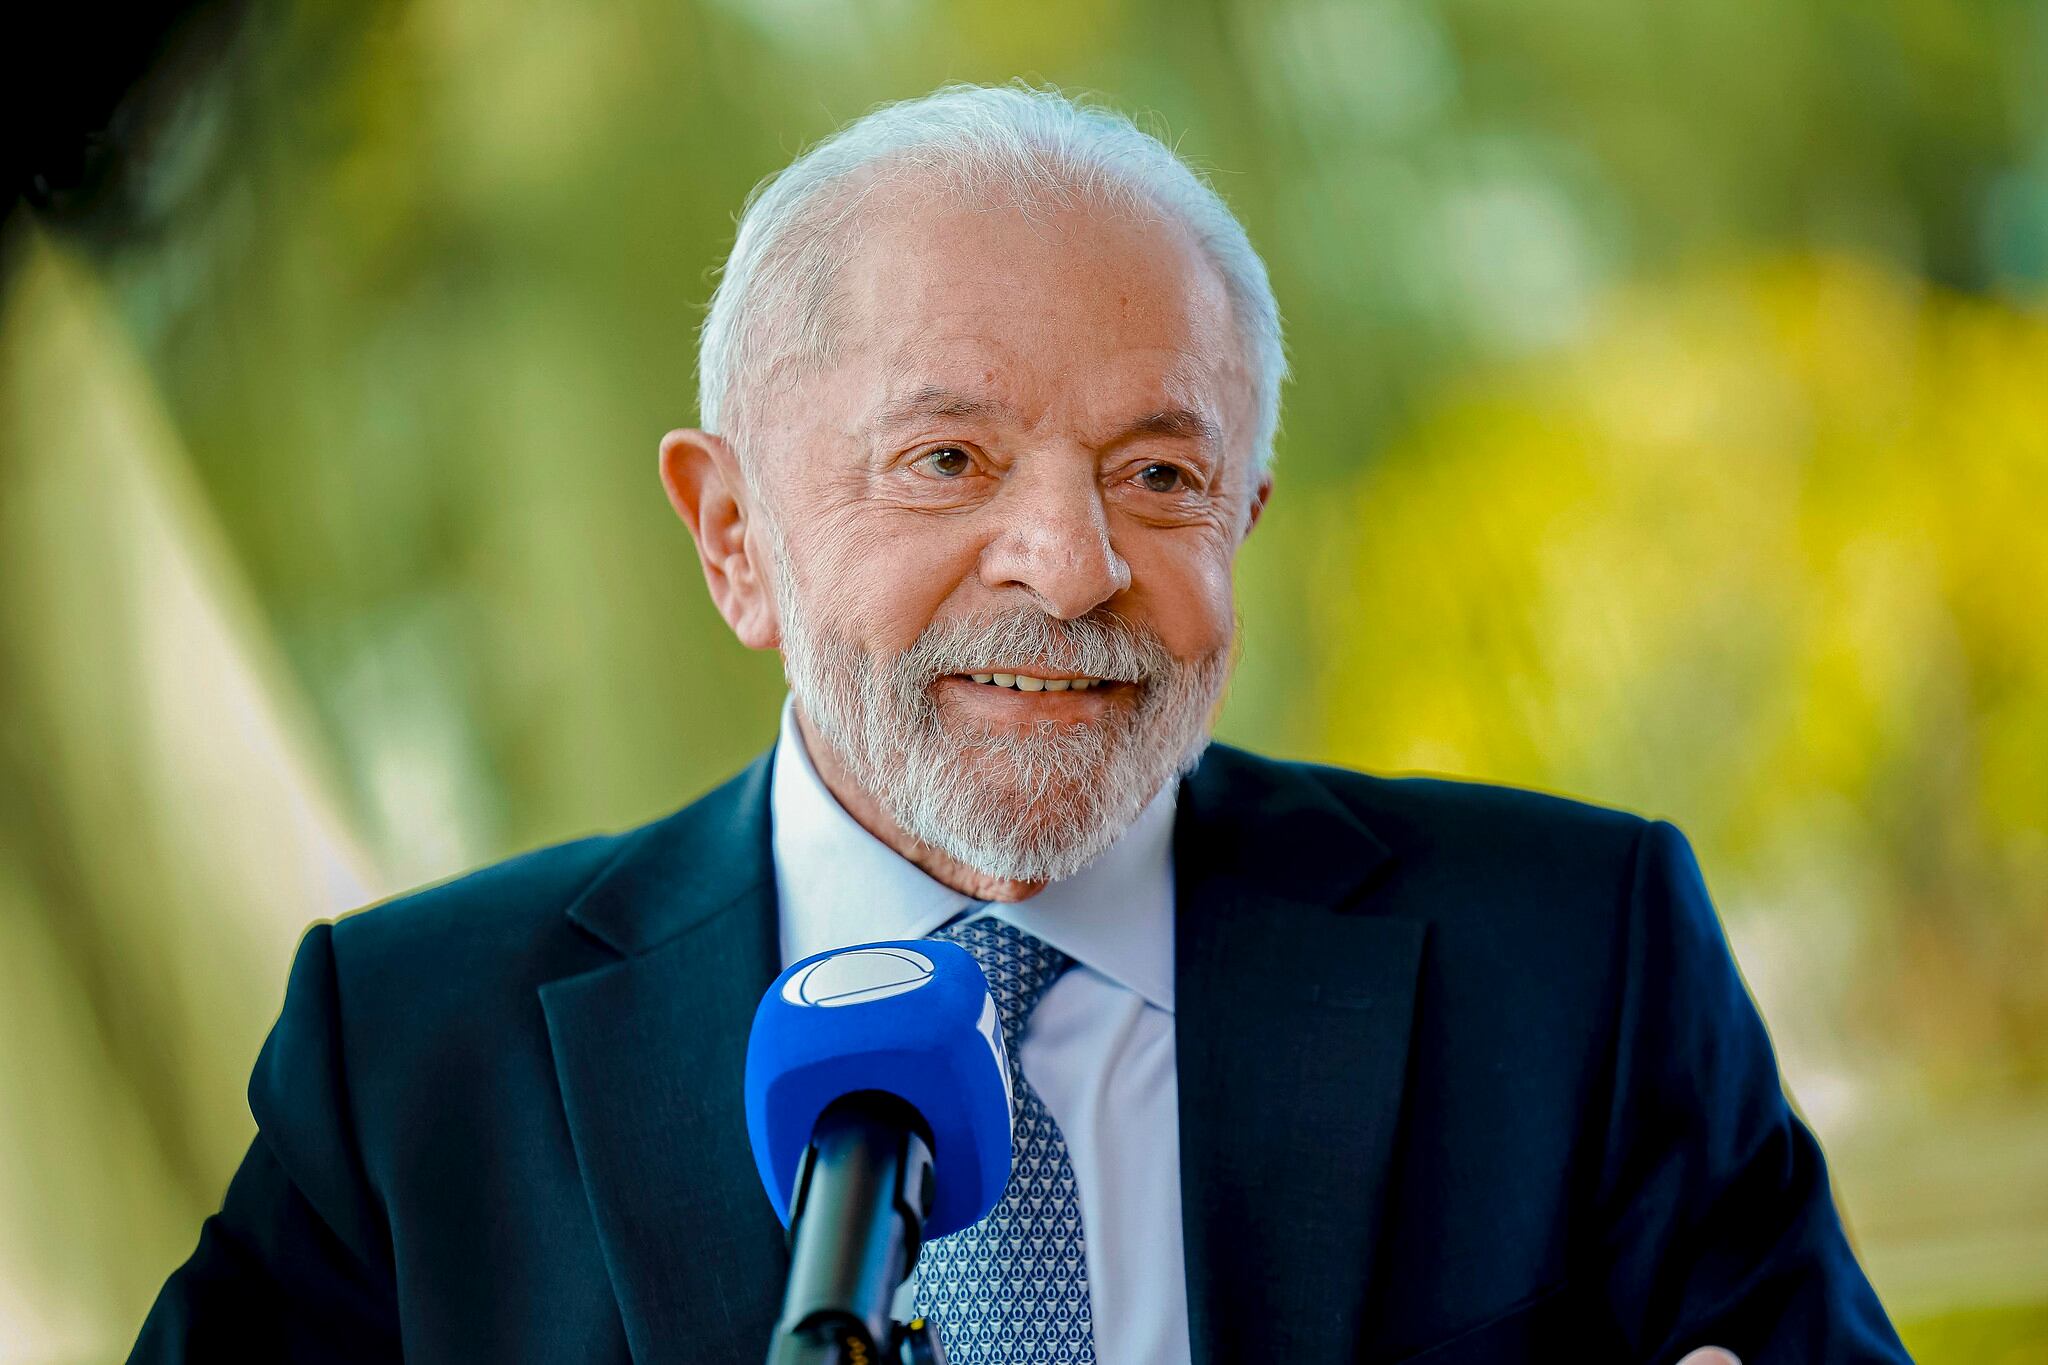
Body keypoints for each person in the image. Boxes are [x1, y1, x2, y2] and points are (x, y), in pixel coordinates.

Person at [130, 84, 1909, 1364]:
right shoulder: (411, 1058)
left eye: (1158, 472)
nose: (1069, 567)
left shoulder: (1577, 966)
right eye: (948, 461)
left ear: (1246, 521)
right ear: (731, 535)